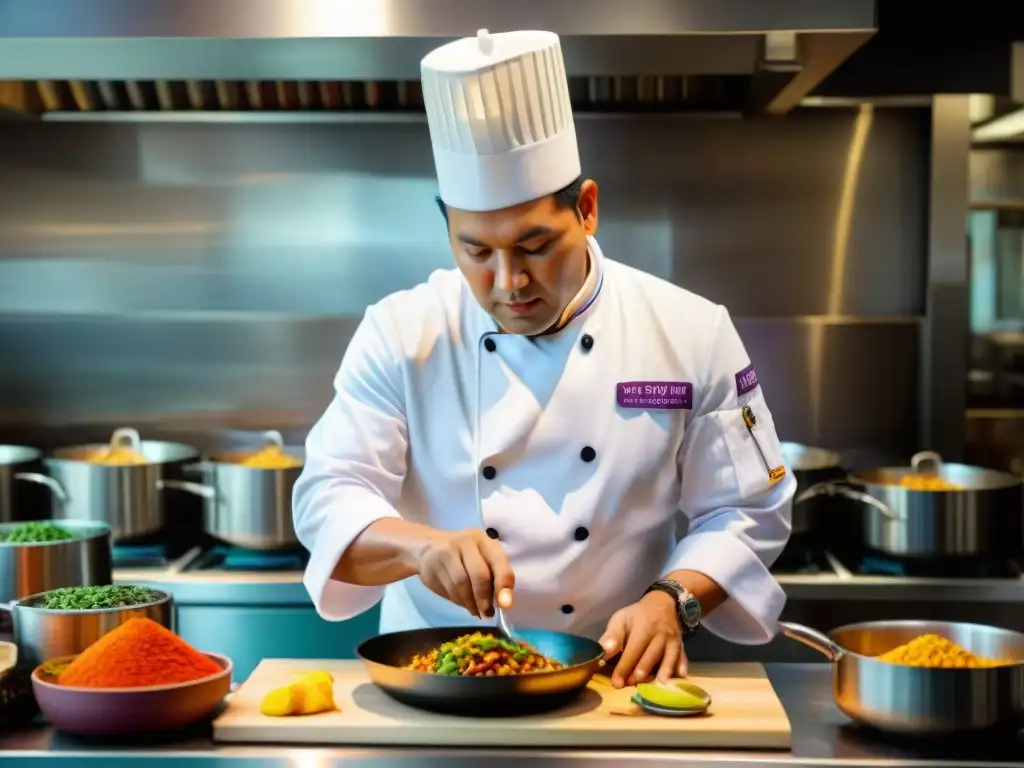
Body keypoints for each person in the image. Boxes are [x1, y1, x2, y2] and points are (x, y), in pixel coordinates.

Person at [293, 28, 795, 689]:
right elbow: (329, 499)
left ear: (586, 209)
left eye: (534, 246)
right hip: (434, 682)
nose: (509, 282)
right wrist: (421, 547)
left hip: (616, 677)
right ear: (447, 227)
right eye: (476, 252)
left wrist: (673, 599)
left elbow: (748, 509)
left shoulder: (690, 332)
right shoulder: (400, 332)